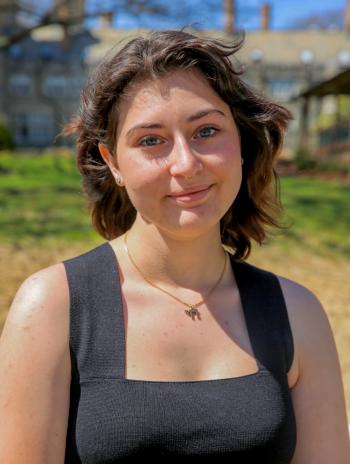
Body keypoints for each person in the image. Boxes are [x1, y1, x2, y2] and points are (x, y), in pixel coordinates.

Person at [0, 28, 349, 464]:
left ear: (239, 141)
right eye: (151, 140)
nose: (185, 164)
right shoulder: (54, 306)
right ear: (114, 163)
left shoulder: (298, 313)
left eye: (205, 130)